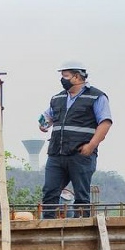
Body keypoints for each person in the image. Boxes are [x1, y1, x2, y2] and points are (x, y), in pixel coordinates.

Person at [38, 61, 112, 218]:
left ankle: (81, 228)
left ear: (77, 77)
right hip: (57, 153)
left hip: (81, 153)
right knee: (50, 192)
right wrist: (43, 123)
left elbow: (105, 123)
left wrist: (91, 145)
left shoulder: (96, 96)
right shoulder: (57, 98)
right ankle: (48, 227)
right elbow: (47, 116)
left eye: (65, 76)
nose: (62, 79)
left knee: (81, 194)